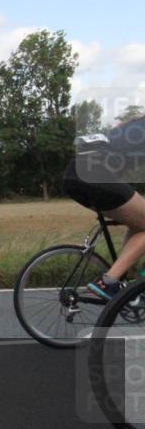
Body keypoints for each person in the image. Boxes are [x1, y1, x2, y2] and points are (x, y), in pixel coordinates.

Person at [63, 114, 145, 299]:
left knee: (139, 222)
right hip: (97, 175)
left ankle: (126, 280)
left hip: (73, 176)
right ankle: (109, 282)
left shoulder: (132, 126)